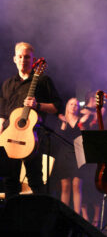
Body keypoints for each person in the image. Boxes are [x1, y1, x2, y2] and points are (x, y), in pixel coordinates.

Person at [0, 42, 61, 200]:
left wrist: (38, 105)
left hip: (32, 138)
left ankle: (36, 220)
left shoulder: (43, 81)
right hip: (9, 138)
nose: (23, 60)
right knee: (9, 182)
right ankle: (10, 219)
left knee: (35, 182)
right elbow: (3, 111)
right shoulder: (8, 84)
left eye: (27, 57)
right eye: (20, 56)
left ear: (32, 59)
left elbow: (57, 106)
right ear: (14, 59)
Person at [53, 98, 84, 214]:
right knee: (65, 186)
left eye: (76, 105)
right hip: (64, 155)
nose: (73, 106)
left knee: (77, 185)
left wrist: (83, 124)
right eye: (71, 104)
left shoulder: (81, 120)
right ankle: (64, 215)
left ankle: (77, 216)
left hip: (78, 154)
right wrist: (64, 123)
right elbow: (58, 137)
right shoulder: (62, 120)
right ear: (67, 106)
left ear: (78, 108)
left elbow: (84, 136)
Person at [79, 91, 104, 227]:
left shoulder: (100, 109)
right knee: (85, 185)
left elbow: (98, 124)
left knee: (95, 184)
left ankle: (96, 217)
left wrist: (93, 115)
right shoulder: (82, 111)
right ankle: (84, 216)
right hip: (85, 148)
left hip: (96, 148)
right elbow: (80, 127)